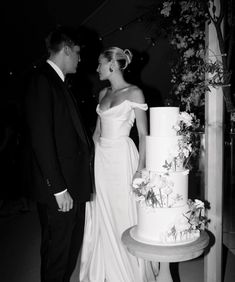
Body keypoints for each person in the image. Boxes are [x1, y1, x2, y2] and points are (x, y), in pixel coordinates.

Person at [79, 47, 156, 282]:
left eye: (100, 64)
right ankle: (106, 268)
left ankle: (129, 271)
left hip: (122, 158)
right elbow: (96, 133)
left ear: (112, 65)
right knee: (103, 210)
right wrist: (88, 161)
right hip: (102, 160)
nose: (97, 68)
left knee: (123, 211)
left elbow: (143, 135)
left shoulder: (135, 93)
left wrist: (140, 169)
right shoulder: (102, 94)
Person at [24, 26, 93, 282]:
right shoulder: (42, 80)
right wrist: (58, 189)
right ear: (66, 49)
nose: (80, 58)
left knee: (66, 252)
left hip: (71, 184)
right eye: (77, 52)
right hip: (60, 190)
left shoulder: (59, 83)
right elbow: (41, 139)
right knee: (57, 255)